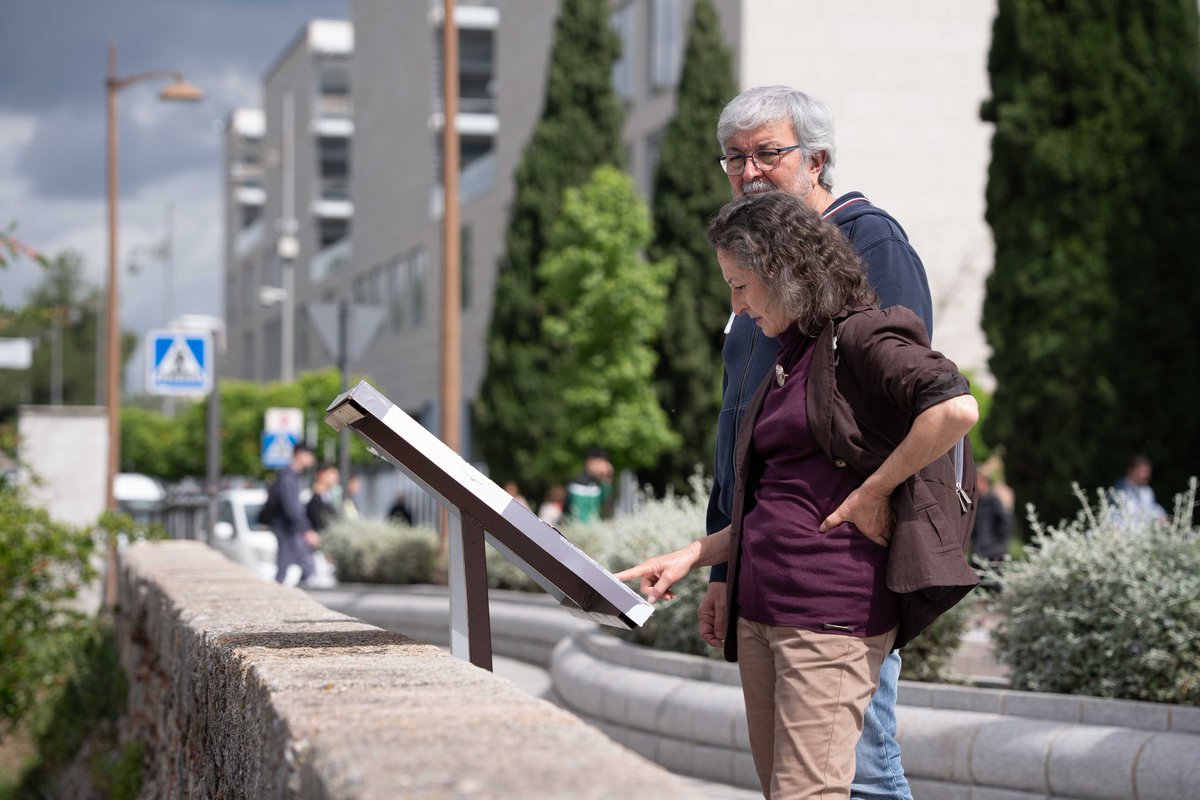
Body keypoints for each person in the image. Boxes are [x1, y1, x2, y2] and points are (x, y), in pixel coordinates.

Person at [619, 192, 978, 798]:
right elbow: (786, 505)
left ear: (785, 270)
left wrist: (874, 490)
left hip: (827, 614)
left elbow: (954, 406)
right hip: (763, 613)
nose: (736, 306)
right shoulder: (791, 355)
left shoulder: (862, 334)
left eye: (741, 286)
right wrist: (695, 555)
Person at [701, 85, 933, 799]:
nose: (749, 172)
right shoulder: (758, 266)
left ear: (818, 159)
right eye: (735, 159)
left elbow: (909, 394)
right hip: (766, 564)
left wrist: (876, 491)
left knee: (861, 773)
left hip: (836, 569)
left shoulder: (868, 241)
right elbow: (742, 431)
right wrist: (719, 564)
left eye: (768, 154)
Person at [270, 442, 320, 585]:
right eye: (310, 456)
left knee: (293, 567)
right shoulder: (288, 477)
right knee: (304, 567)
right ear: (300, 455)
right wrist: (306, 530)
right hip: (286, 527)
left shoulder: (291, 475)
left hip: (288, 526)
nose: (312, 460)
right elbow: (292, 507)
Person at [1110, 454, 1167, 525]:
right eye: (1144, 472)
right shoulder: (1120, 489)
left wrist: (1161, 515)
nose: (1147, 476)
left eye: (1149, 472)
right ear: (1131, 471)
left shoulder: (1147, 490)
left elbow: (1153, 508)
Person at [564, 448, 613, 524]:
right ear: (590, 462)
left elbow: (604, 503)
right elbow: (581, 516)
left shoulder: (597, 484)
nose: (604, 467)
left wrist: (606, 478)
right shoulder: (578, 483)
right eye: (600, 462)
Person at [306, 462, 340, 533]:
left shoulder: (327, 498)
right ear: (321, 474)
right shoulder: (307, 496)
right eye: (332, 473)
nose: (336, 477)